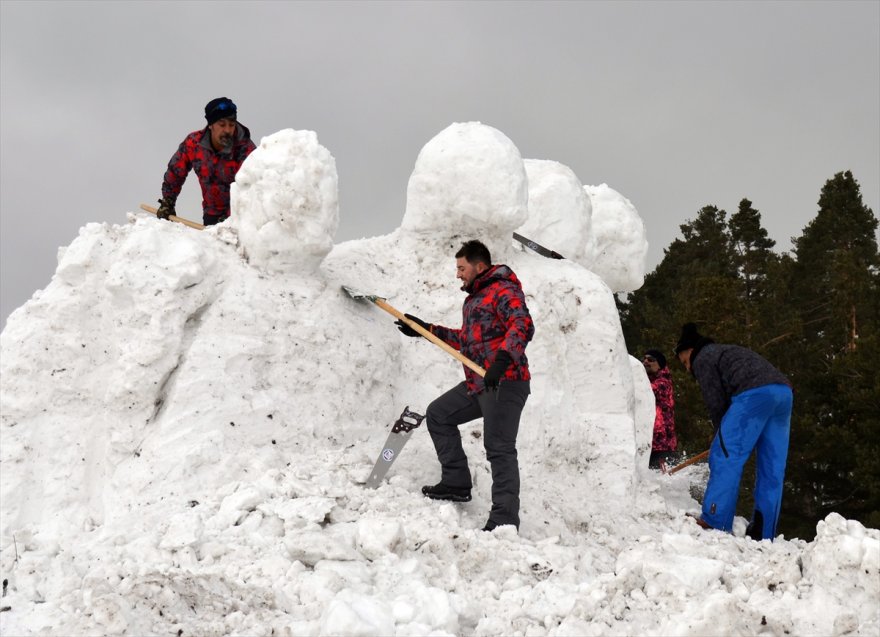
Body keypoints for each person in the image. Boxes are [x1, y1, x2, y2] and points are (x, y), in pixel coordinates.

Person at [396, 240, 534, 532]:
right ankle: (457, 482)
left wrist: (501, 361)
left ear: (479, 266)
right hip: (480, 382)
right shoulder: (474, 299)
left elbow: (522, 325)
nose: (458, 274)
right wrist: (425, 331)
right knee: (439, 414)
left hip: (506, 382)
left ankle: (504, 519)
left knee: (499, 448)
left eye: (461, 268)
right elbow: (466, 341)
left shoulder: (503, 290)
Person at [675, 323, 793, 541]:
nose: (687, 368)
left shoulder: (703, 358)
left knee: (724, 456)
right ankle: (764, 532)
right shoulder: (727, 352)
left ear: (690, 350)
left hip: (754, 393)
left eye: (684, 362)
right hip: (783, 393)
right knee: (772, 467)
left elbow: (715, 401)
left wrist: (722, 436)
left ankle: (714, 518)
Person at [156, 97, 256, 226]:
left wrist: (231, 219)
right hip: (211, 214)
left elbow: (250, 189)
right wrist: (168, 201)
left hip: (241, 217)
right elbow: (175, 172)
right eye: (222, 124)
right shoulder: (193, 144)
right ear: (210, 125)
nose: (227, 130)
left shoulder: (246, 150)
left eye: (231, 125)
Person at [642, 349, 678, 470]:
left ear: (659, 365)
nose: (646, 362)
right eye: (645, 359)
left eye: (651, 360)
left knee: (663, 482)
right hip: (652, 445)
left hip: (662, 446)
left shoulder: (663, 383)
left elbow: (645, 390)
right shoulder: (649, 380)